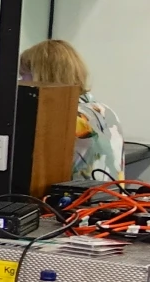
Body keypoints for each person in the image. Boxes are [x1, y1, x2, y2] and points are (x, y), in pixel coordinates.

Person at [19, 38, 124, 182]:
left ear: (43, 76)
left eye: (24, 74)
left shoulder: (65, 119)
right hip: (114, 201)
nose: (20, 81)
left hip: (78, 202)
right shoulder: (105, 110)